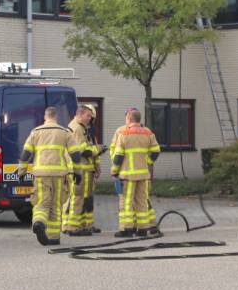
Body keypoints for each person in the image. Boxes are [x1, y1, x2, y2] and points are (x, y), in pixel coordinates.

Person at [18, 106, 82, 246]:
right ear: (56, 117)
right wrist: (78, 173)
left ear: (45, 117)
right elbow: (76, 156)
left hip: (41, 175)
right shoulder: (65, 132)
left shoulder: (36, 132)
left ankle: (39, 222)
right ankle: (54, 237)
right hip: (59, 175)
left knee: (41, 203)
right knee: (56, 205)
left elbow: (25, 154)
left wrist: (21, 171)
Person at [110, 108, 161, 237]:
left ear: (129, 119)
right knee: (142, 201)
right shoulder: (148, 132)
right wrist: (148, 162)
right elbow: (156, 150)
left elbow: (118, 157)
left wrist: (114, 172)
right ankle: (143, 229)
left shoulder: (124, 133)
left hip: (127, 175)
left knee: (127, 202)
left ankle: (127, 229)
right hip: (143, 174)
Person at [64, 105, 106, 236]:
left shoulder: (82, 127)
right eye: (88, 116)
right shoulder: (77, 128)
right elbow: (83, 151)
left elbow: (89, 146)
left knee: (83, 198)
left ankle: (80, 225)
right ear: (80, 114)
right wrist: (98, 149)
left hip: (84, 169)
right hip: (80, 169)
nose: (90, 119)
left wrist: (97, 164)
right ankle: (73, 227)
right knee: (78, 197)